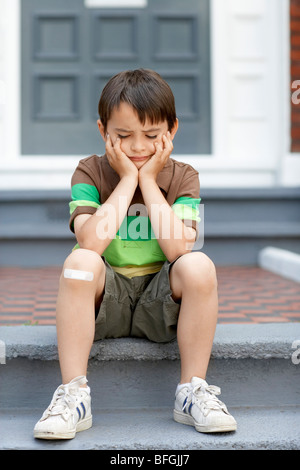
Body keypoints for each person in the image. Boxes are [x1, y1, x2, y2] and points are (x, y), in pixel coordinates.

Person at [34, 69, 237, 440]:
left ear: (171, 131)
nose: (138, 147)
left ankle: (192, 391)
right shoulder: (89, 171)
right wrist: (128, 180)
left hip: (159, 304)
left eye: (152, 136)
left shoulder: (183, 176)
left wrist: (149, 181)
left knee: (199, 265)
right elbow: (91, 243)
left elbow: (179, 249)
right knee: (79, 263)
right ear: (103, 131)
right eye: (124, 136)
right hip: (104, 303)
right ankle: (73, 396)